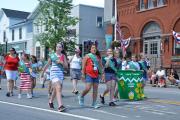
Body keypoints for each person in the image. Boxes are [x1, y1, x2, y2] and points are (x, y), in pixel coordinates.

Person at [41, 42, 68, 112]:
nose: (58, 48)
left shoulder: (63, 56)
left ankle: (50, 101)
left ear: (62, 49)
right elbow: (47, 64)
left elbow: (66, 66)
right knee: (58, 87)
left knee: (56, 90)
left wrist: (61, 62)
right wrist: (42, 72)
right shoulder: (52, 55)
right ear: (55, 48)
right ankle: (60, 106)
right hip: (53, 73)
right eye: (57, 47)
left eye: (60, 47)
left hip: (60, 74)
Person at [78, 43, 104, 109]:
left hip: (96, 75)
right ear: (90, 49)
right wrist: (83, 74)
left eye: (95, 48)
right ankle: (81, 96)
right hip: (89, 74)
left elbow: (101, 66)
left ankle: (94, 103)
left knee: (95, 89)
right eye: (92, 48)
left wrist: (102, 74)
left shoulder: (98, 57)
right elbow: (83, 66)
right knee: (88, 88)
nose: (94, 49)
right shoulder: (87, 56)